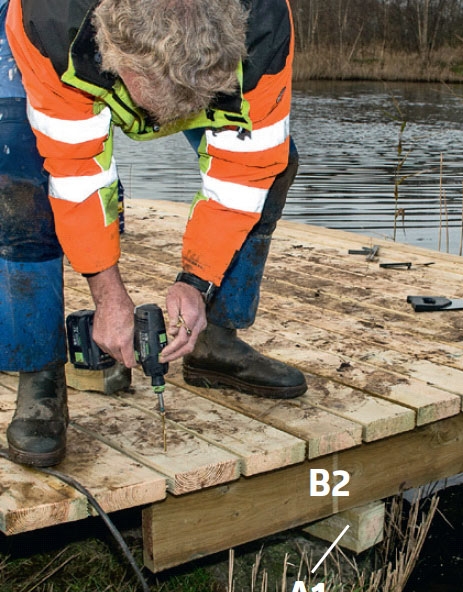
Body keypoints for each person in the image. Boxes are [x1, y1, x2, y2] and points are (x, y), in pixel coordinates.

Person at [0, 0, 307, 468]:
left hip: (192, 65)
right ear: (114, 53)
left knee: (276, 167)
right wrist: (107, 294)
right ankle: (39, 374)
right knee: (19, 183)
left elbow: (247, 168)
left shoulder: (265, 24)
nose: (160, 125)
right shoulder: (50, 20)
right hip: (54, 45)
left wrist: (198, 281)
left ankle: (215, 340)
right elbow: (78, 171)